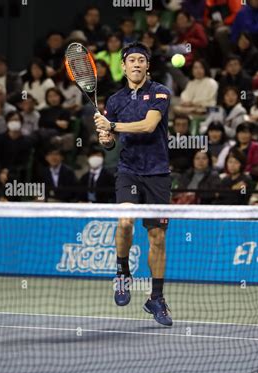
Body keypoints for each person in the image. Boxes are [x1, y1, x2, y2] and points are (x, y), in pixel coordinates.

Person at [94, 42, 173, 326]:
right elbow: (110, 142)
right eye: (131, 60)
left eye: (142, 60)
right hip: (128, 171)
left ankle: (156, 298)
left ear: (148, 66)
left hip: (158, 174)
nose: (137, 64)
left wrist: (111, 126)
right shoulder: (114, 101)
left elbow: (148, 125)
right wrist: (105, 139)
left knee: (157, 238)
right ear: (124, 66)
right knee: (124, 222)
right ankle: (122, 273)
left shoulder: (161, 92)